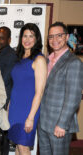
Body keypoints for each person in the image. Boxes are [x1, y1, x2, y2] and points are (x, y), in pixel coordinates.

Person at [38, 22, 82, 155]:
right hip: (43, 121)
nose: (54, 40)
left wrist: (62, 124)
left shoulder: (74, 63)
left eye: (59, 35)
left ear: (67, 37)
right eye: (51, 37)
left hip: (59, 125)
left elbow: (73, 98)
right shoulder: (45, 60)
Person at [7, 23, 47, 155]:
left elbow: (39, 92)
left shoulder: (39, 59)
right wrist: (9, 107)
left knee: (23, 148)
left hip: (28, 111)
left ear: (37, 39)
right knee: (19, 147)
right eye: (25, 36)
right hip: (14, 110)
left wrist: (30, 117)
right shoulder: (19, 59)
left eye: (31, 36)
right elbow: (17, 86)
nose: (27, 39)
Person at [0, 26, 17, 155]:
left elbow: (5, 78)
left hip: (5, 98)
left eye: (2, 38)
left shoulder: (11, 54)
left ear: (9, 40)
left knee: (3, 132)